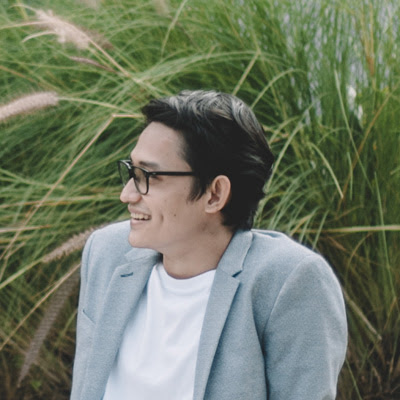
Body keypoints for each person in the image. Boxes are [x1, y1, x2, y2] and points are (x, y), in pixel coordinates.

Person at [70, 90, 347, 400]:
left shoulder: (286, 281)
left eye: (148, 176)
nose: (127, 194)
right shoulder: (107, 253)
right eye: (131, 171)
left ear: (215, 194)